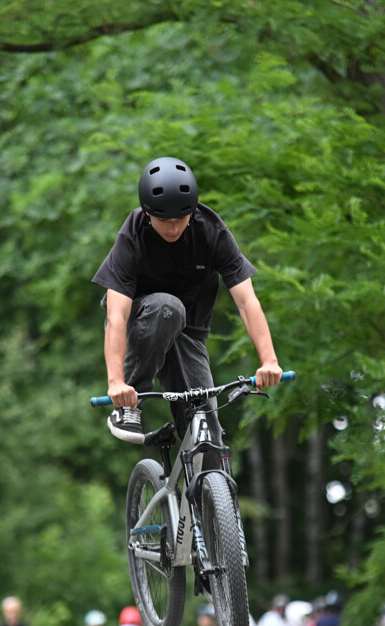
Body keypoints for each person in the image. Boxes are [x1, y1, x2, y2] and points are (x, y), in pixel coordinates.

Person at [92, 156, 283, 444]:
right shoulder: (132, 235)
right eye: (163, 221)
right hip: (140, 324)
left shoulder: (212, 232)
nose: (172, 229)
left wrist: (269, 360)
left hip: (188, 333)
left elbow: (246, 301)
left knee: (208, 436)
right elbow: (116, 316)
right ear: (147, 213)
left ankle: (201, 482)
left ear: (192, 212)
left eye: (180, 219)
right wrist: (116, 383)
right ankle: (129, 407)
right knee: (168, 307)